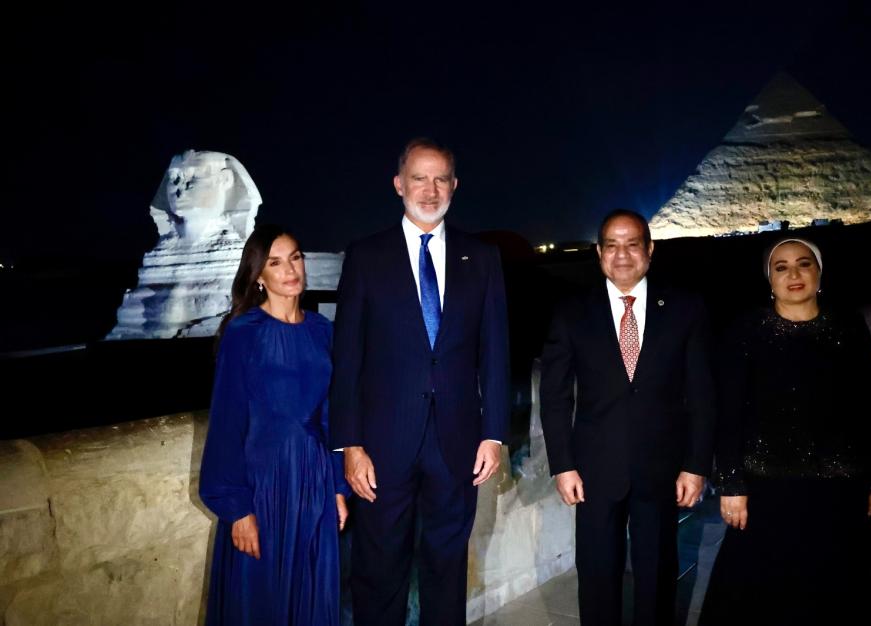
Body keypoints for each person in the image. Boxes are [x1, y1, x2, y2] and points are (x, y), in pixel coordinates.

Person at [330, 138, 510, 625]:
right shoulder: (366, 256)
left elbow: (494, 353)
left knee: (447, 565)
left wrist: (493, 433)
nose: (429, 191)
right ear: (398, 184)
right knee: (378, 566)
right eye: (418, 178)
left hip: (457, 442)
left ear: (454, 185)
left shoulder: (483, 258)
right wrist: (350, 443)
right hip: (383, 446)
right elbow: (347, 358)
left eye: (440, 179)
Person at [700, 237, 871, 626]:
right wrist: (730, 484)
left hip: (841, 489)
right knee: (760, 593)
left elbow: (870, 408)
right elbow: (729, 413)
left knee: (836, 592)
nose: (794, 274)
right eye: (781, 267)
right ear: (769, 279)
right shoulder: (746, 330)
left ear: (819, 273)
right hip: (767, 489)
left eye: (804, 264)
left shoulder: (848, 326)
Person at [539, 209, 716, 626]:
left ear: (649, 250)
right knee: (598, 575)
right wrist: (562, 465)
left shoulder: (686, 308)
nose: (622, 255)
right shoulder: (571, 312)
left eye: (632, 243)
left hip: (662, 468)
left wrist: (696, 465)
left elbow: (703, 393)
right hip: (594, 470)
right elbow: (554, 396)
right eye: (612, 245)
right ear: (599, 253)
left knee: (657, 575)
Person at [199, 224, 350, 625]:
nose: (290, 270)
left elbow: (333, 413)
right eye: (276, 262)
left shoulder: (323, 331)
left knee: (312, 595)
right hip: (262, 484)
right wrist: (237, 508)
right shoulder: (244, 333)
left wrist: (337, 486)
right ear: (258, 277)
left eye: (296, 257)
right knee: (261, 598)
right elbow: (228, 421)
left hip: (315, 479)